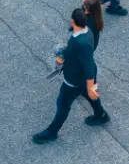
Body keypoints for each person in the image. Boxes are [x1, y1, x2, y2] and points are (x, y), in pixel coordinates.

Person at [31, 8, 107, 142]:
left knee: (63, 104)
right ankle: (101, 114)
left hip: (75, 80)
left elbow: (87, 64)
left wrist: (89, 85)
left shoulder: (80, 43)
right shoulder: (86, 31)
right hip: (83, 77)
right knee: (89, 95)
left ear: (73, 21)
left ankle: (52, 132)